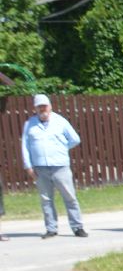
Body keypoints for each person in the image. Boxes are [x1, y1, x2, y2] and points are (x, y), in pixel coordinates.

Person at [21, 94, 87, 238]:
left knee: (69, 197)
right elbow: (25, 146)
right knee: (46, 199)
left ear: (50, 106)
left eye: (44, 106)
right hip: (40, 168)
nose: (42, 109)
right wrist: (28, 166)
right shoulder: (29, 124)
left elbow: (75, 139)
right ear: (35, 108)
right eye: (39, 107)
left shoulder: (60, 121)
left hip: (60, 166)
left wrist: (62, 148)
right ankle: (51, 228)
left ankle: (77, 227)